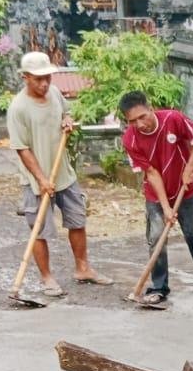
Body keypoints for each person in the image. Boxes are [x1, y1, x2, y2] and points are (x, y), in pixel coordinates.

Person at [9, 51, 114, 297]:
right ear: (25, 78)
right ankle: (47, 278)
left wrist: (67, 120)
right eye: (38, 79)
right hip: (37, 181)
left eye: (47, 77)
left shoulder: (54, 94)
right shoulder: (19, 108)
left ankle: (83, 268)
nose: (44, 83)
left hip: (64, 173)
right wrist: (42, 179)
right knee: (39, 230)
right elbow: (22, 149)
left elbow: (66, 112)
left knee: (77, 220)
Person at [120, 90, 193, 304]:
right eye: (133, 121)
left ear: (151, 108)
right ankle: (158, 288)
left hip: (187, 189)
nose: (140, 124)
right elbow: (151, 173)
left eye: (142, 116)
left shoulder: (173, 119)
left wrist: (189, 167)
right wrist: (165, 207)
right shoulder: (130, 139)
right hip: (156, 194)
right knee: (156, 240)